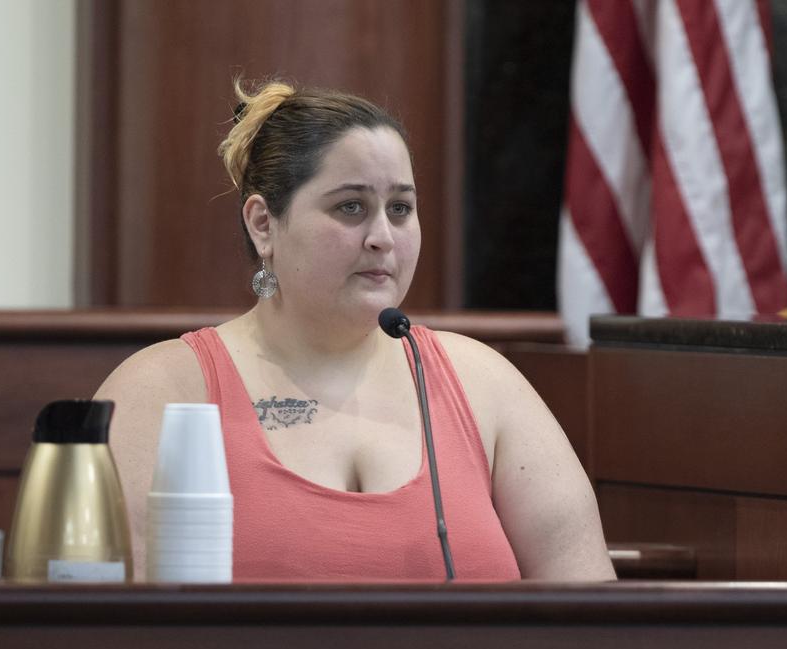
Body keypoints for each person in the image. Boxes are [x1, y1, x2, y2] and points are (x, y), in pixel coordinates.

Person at [95, 78, 615, 582]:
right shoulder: (160, 391)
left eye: (401, 209)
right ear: (263, 225)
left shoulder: (487, 385)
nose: (383, 238)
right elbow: (106, 638)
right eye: (351, 207)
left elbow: (592, 626)